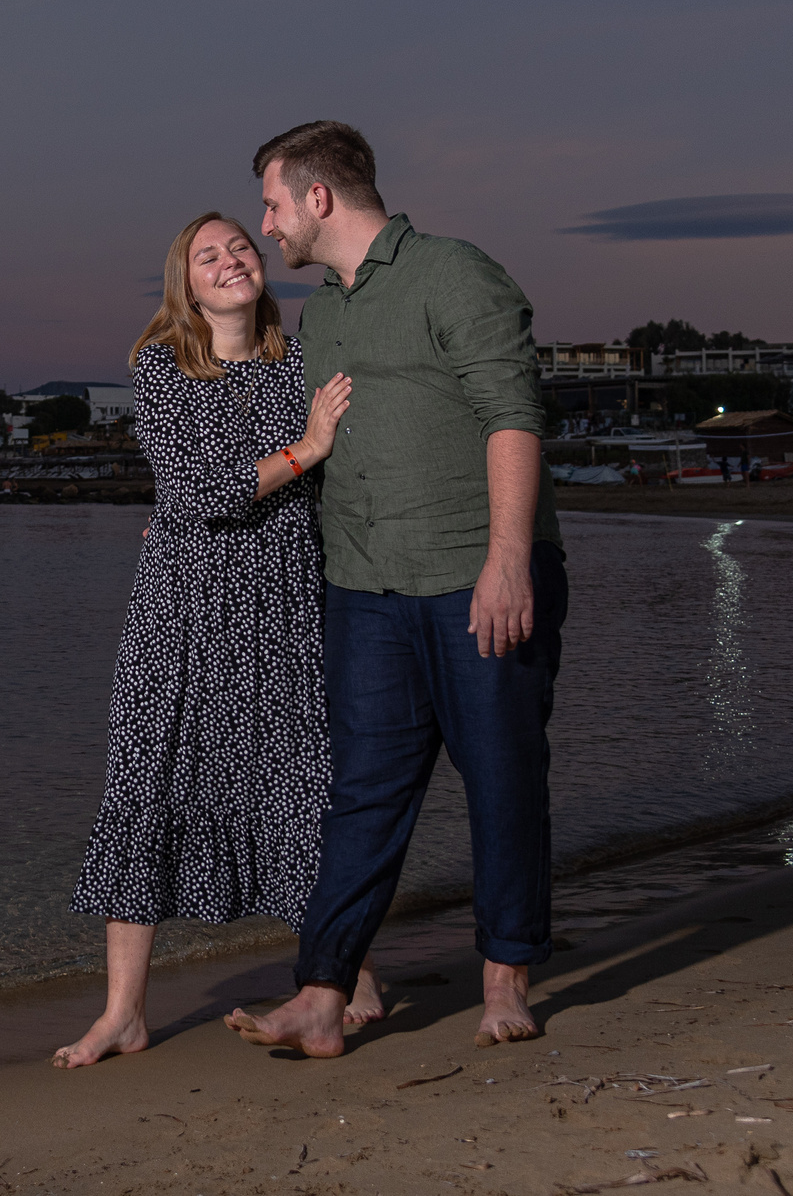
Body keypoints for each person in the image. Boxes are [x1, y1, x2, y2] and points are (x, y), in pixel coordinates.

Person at [227, 121, 568, 1057]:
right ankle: (323, 991)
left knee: (502, 777)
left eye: (272, 201)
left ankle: (505, 974)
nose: (267, 223)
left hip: (476, 575)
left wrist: (507, 559)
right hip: (364, 588)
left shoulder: (456, 274)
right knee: (363, 791)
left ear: (318, 198)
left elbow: (512, 415)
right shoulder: (321, 314)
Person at [53, 212, 354, 1068]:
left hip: (286, 603)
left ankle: (346, 978)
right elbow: (197, 491)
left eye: (242, 248)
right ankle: (122, 1013)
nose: (232, 261)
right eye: (208, 255)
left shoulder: (300, 359)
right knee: (146, 786)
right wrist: (308, 450)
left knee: (304, 784)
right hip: (181, 612)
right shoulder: (162, 365)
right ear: (184, 285)